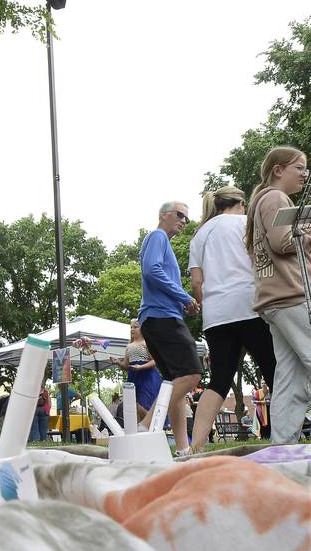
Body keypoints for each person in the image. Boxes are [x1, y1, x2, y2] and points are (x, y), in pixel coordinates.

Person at [187, 186, 276, 451]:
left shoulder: (199, 235)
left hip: (216, 314)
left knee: (220, 379)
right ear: (240, 203)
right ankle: (283, 437)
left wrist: (208, 303)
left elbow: (196, 282)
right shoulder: (247, 223)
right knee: (273, 370)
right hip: (250, 305)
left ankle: (196, 446)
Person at [246, 146, 311, 445]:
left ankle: (281, 449)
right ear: (278, 170)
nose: (304, 173)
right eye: (298, 167)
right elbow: (283, 241)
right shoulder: (275, 198)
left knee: (290, 378)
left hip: (274, 298)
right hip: (292, 294)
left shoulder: (262, 200)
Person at [138, 201, 202, 455]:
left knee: (174, 382)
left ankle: (183, 449)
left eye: (187, 218)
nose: (184, 221)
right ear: (163, 215)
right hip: (162, 317)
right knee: (191, 374)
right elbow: (152, 270)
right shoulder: (157, 236)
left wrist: (180, 301)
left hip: (157, 317)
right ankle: (146, 425)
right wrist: (185, 297)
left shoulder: (160, 241)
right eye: (180, 215)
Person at [111, 319, 163, 419]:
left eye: (135, 327)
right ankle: (145, 427)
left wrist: (141, 367)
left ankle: (151, 426)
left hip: (147, 377)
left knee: (145, 403)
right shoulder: (129, 346)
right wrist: (118, 362)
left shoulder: (146, 343)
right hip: (134, 377)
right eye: (131, 327)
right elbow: (126, 366)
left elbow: (154, 361)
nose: (132, 329)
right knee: (135, 405)